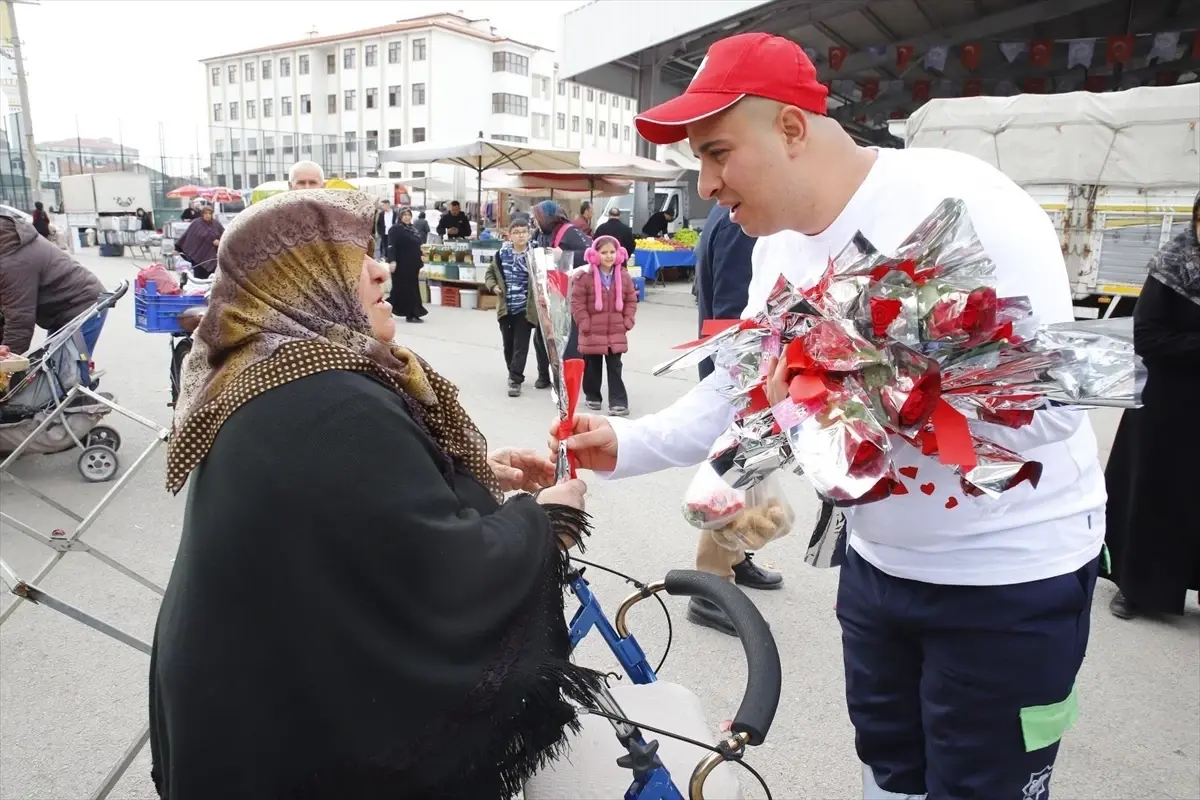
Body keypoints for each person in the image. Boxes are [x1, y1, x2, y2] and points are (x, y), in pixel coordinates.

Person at [552, 32, 1104, 800]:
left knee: (986, 785)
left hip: (1008, 577)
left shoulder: (964, 204)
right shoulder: (777, 249)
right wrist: (624, 442)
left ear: (790, 128)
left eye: (717, 153)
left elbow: (1047, 411)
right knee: (890, 769)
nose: (706, 185)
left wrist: (844, 382)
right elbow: (738, 387)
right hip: (877, 570)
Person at [150, 189, 600, 799]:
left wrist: (474, 473)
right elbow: (442, 568)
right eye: (352, 257)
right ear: (300, 283)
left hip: (248, 709)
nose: (381, 267)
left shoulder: (276, 367)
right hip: (290, 742)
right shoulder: (327, 397)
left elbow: (352, 509)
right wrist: (543, 522)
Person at [1103, 194, 1200, 620]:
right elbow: (1146, 336)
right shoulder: (1173, 266)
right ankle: (1135, 587)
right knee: (1154, 491)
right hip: (1168, 403)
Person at [686, 203, 781, 633]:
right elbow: (731, 310)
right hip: (738, 369)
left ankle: (736, 557)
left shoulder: (727, 215)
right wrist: (746, 381)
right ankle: (711, 583)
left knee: (747, 472)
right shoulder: (740, 221)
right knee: (730, 473)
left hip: (737, 367)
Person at [0, 209, 106, 381]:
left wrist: (9, 371)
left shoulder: (13, 262)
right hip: (60, 308)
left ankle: (81, 401)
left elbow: (19, 321)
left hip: (82, 305)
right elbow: (5, 312)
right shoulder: (7, 249)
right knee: (54, 370)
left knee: (69, 374)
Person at [571, 236, 637, 417]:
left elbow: (631, 299)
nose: (608, 256)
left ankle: (618, 402)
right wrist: (584, 322)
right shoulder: (584, 276)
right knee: (592, 365)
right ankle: (593, 395)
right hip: (592, 330)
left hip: (615, 330)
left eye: (612, 252)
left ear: (619, 254)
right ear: (594, 254)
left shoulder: (623, 276)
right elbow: (577, 302)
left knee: (615, 366)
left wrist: (628, 320)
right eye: (604, 252)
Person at [485, 217, 545, 397]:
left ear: (529, 233)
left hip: (525, 309)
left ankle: (515, 379)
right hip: (506, 306)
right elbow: (490, 273)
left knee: (521, 345)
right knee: (508, 345)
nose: (521, 236)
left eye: (524, 232)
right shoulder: (502, 254)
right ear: (509, 235)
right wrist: (493, 286)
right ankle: (513, 371)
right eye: (516, 232)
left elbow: (546, 276)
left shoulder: (536, 254)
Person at [533, 200, 591, 363]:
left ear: (547, 217)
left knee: (568, 338)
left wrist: (564, 254)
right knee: (542, 337)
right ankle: (544, 374)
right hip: (546, 292)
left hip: (568, 293)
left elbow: (591, 254)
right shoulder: (539, 233)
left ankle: (570, 373)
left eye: (537, 217)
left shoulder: (570, 231)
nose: (535, 221)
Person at [386, 207, 428, 324]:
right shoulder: (395, 229)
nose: (407, 217)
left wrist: (421, 255)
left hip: (413, 264)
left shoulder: (412, 229)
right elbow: (391, 246)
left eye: (408, 215)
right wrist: (392, 261)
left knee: (404, 290)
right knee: (404, 289)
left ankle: (385, 309)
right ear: (400, 216)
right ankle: (411, 314)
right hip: (401, 264)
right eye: (404, 215)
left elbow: (416, 245)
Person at [174, 206, 223, 278]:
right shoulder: (196, 223)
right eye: (206, 213)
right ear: (202, 214)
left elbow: (224, 236)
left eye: (209, 213)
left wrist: (219, 242)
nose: (208, 215)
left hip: (213, 258)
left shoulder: (216, 224)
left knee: (212, 279)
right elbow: (187, 236)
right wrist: (177, 247)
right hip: (198, 257)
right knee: (200, 279)